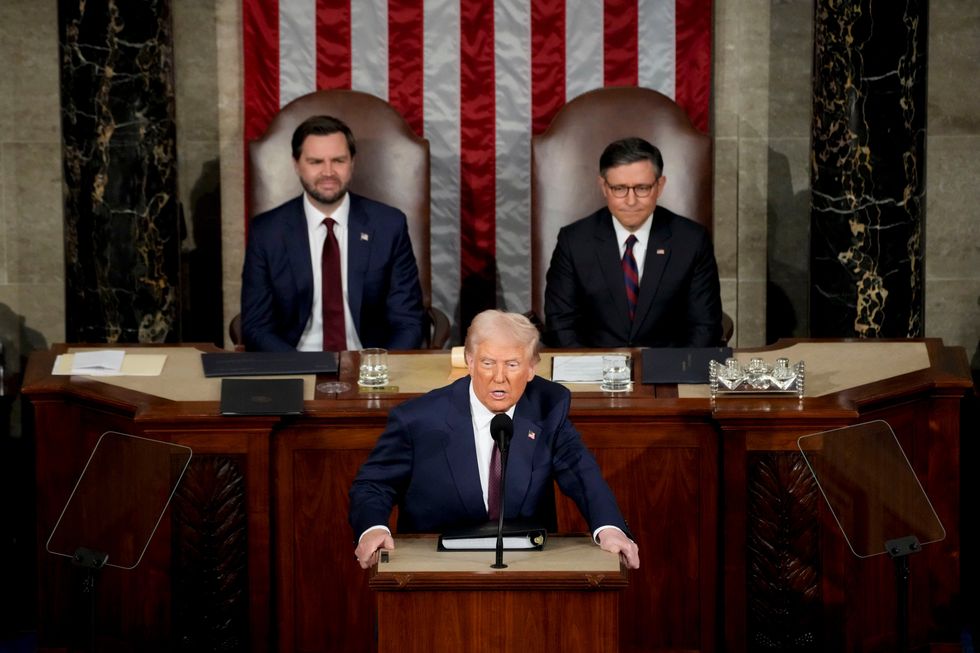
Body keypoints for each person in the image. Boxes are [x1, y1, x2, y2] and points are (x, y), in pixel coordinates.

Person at [349, 310, 640, 570]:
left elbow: (582, 474)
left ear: (531, 368)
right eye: (488, 363)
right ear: (470, 361)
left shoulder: (547, 408)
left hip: (524, 567)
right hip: (437, 568)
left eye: (512, 365)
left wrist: (609, 528)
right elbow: (374, 484)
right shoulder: (418, 419)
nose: (499, 377)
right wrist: (373, 528)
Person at [240, 115, 425, 352]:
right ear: (296, 164)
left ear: (352, 163)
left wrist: (379, 369)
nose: (328, 172)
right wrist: (297, 367)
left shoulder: (389, 225)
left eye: (338, 160)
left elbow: (408, 321)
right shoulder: (267, 232)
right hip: (294, 365)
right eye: (316, 162)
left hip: (371, 369)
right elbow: (256, 326)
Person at [544, 136, 722, 348]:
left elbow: (704, 326)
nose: (630, 201)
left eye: (642, 188)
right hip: (592, 371)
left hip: (668, 372)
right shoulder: (574, 241)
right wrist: (586, 375)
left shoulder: (691, 240)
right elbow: (561, 324)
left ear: (659, 186)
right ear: (604, 187)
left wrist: (678, 374)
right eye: (619, 189)